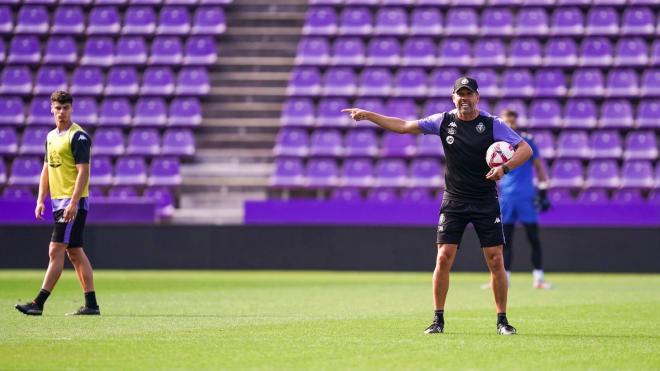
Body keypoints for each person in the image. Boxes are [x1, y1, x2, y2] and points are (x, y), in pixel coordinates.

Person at [342, 77, 533, 336]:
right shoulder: (443, 121)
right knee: (443, 258)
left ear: (477, 97)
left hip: (485, 199)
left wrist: (504, 168)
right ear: (453, 98)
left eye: (469, 94)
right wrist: (369, 115)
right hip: (454, 199)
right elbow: (404, 126)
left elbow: (525, 149)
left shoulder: (492, 124)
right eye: (460, 94)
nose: (464, 98)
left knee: (496, 259)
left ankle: (502, 320)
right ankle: (437, 319)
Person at [15, 91, 100, 316]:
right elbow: (46, 169)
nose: (61, 112)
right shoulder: (51, 137)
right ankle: (91, 304)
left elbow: (83, 172)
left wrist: (73, 202)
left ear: (71, 109)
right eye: (58, 108)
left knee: (55, 249)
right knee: (74, 252)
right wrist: (40, 199)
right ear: (51, 109)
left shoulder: (78, 137)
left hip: (73, 203)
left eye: (66, 108)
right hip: (58, 202)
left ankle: (38, 303)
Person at [497, 109, 552, 289]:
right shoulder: (496, 145)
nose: (510, 125)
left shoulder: (527, 142)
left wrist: (543, 191)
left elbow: (539, 167)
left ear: (517, 122)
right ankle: (503, 279)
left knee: (533, 238)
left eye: (512, 122)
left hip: (526, 197)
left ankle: (539, 278)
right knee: (505, 241)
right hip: (506, 199)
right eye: (507, 122)